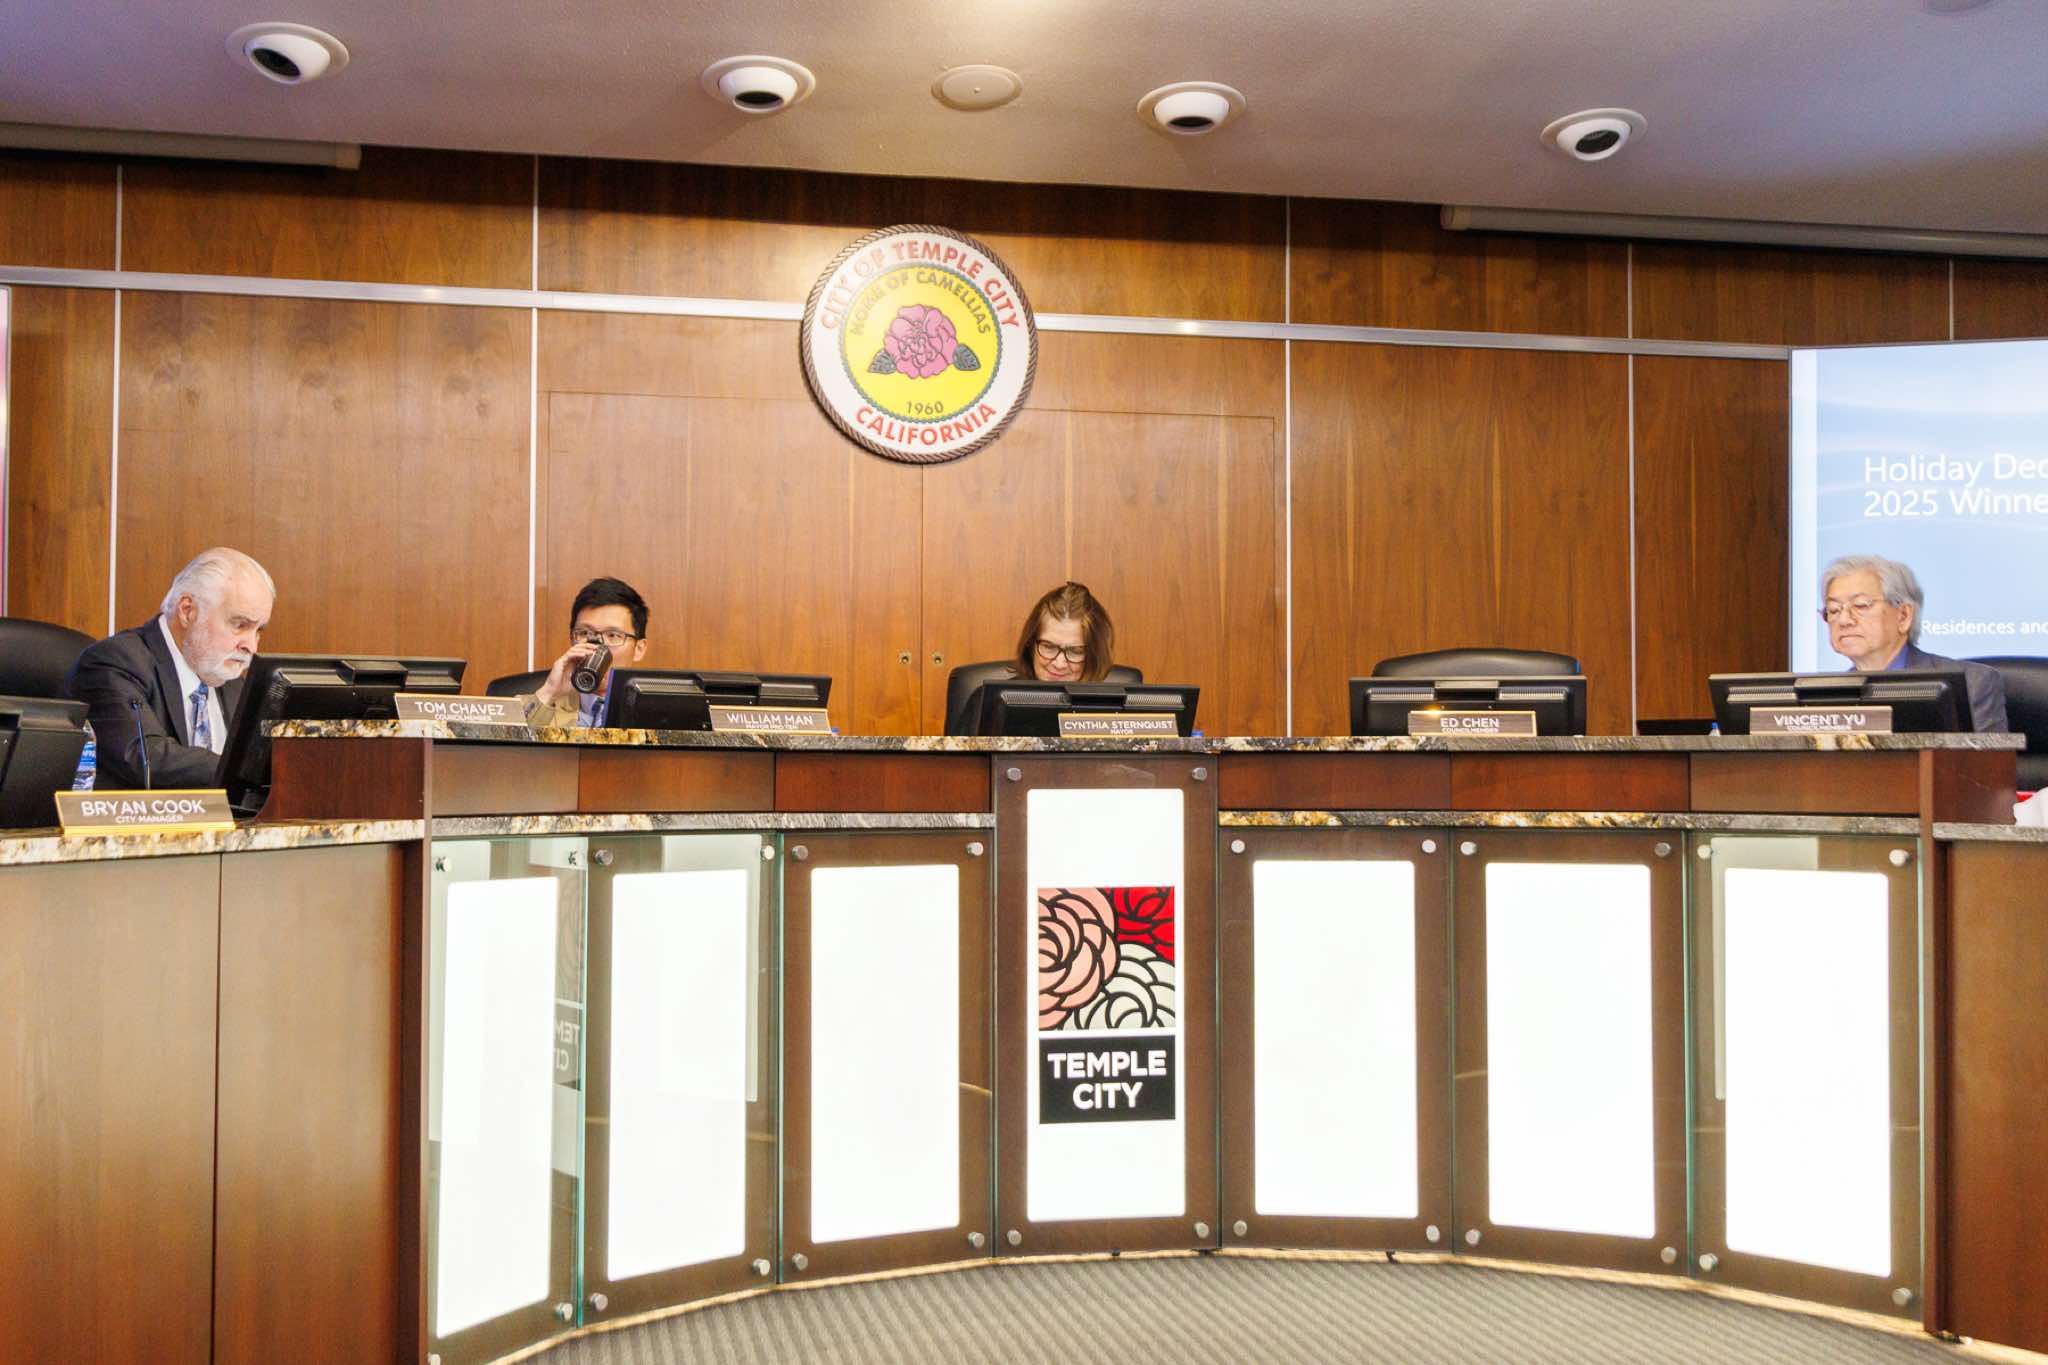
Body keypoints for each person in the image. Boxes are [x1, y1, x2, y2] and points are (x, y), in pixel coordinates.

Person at [67, 547, 276, 789]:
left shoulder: (235, 684)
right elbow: (145, 757)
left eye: (258, 630)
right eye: (239, 625)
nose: (251, 646)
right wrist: (248, 771)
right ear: (187, 611)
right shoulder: (115, 663)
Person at [1822, 553, 2008, 733]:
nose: (1844, 620)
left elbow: (1986, 756)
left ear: (1904, 616)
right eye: (1834, 609)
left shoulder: (1972, 684)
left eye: (1861, 605)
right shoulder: (1828, 697)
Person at [525, 577, 651, 728]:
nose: (597, 646)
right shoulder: (540, 702)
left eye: (612, 635)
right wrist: (549, 692)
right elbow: (508, 737)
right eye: (585, 633)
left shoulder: (654, 714)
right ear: (572, 639)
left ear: (639, 649)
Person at [1013, 581, 1117, 683]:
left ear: (1095, 656)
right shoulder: (1003, 694)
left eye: (1075, 651)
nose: (1059, 664)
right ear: (1030, 645)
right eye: (1049, 647)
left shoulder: (1114, 695)